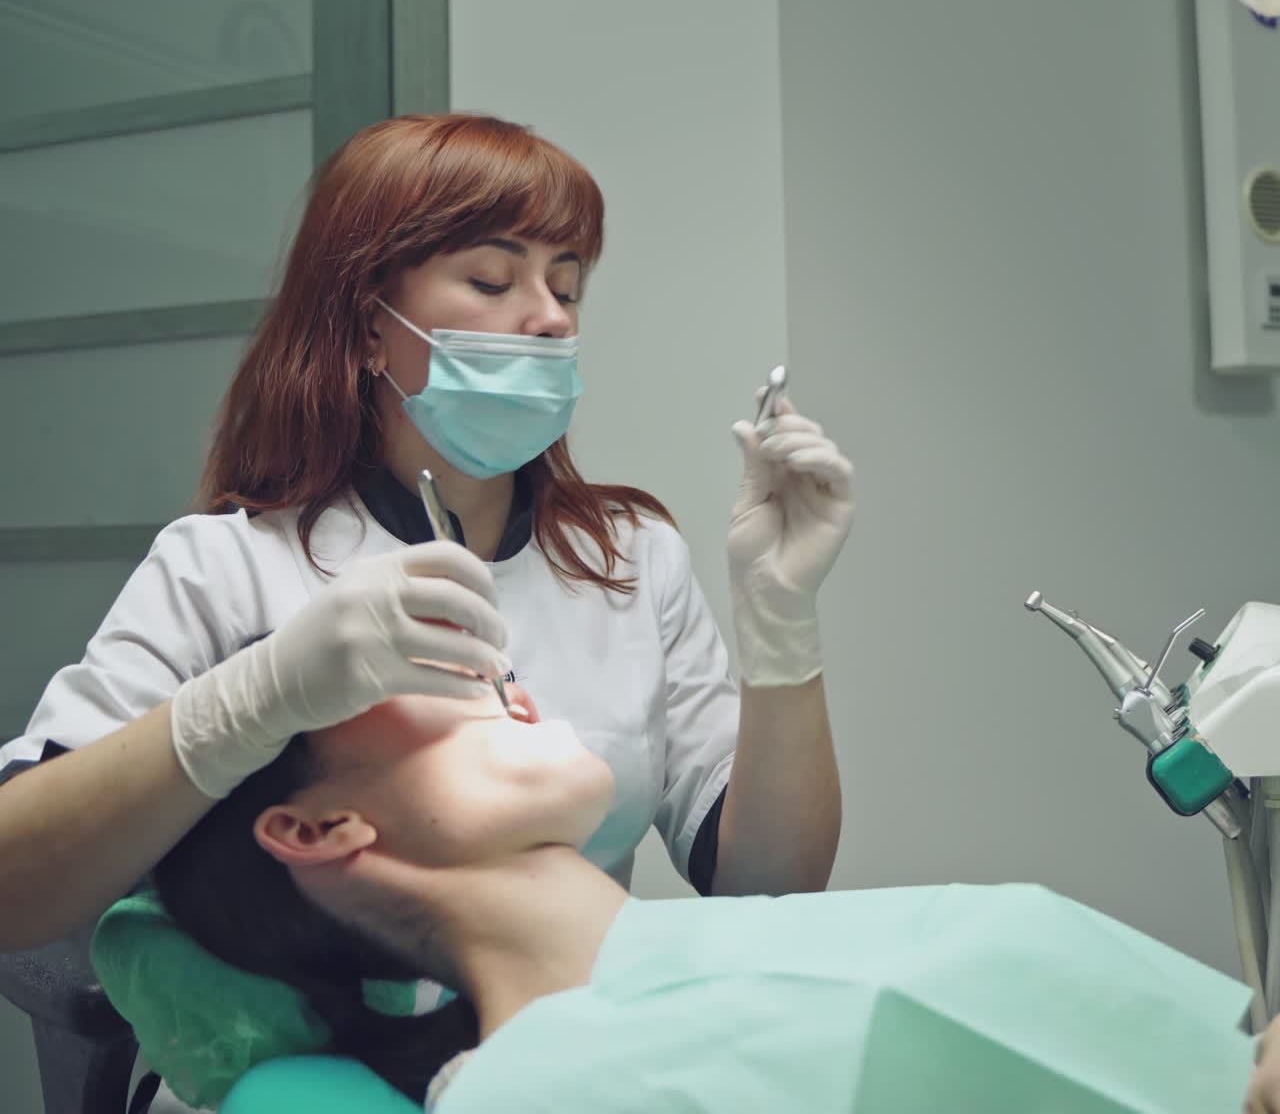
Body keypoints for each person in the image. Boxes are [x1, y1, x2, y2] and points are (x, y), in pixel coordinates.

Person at [0, 113, 853, 960]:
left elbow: (766, 888)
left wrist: (780, 620)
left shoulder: (628, 559)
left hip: (560, 1045)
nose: (551, 317)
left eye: (567, 285)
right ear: (370, 324)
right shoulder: (225, 564)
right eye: (491, 280)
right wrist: (254, 701)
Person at [95, 691, 1263, 1113]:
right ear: (316, 828)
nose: (482, 662)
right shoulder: (537, 1091)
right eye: (401, 679)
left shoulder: (752, 941)